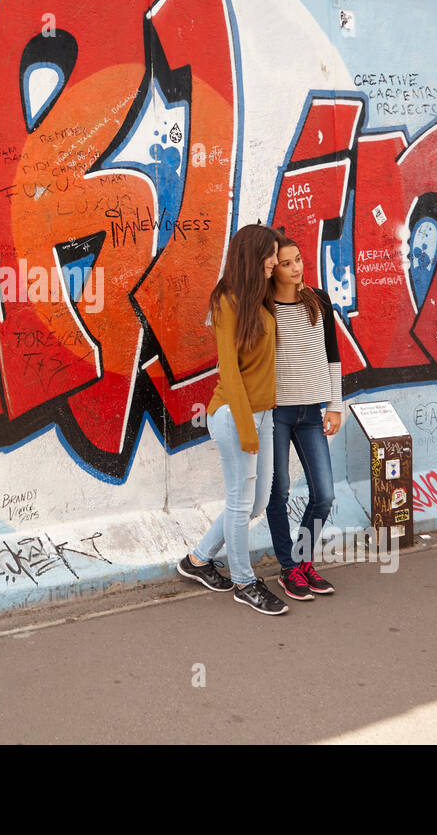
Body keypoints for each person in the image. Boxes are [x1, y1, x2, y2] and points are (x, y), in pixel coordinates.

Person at [177, 224, 289, 615]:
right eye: (270, 255)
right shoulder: (227, 300)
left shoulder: (262, 299)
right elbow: (230, 370)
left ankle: (197, 559)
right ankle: (244, 581)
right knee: (241, 503)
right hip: (232, 415)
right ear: (251, 255)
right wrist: (247, 429)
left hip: (264, 415)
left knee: (255, 501)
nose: (275, 262)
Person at [264, 236, 343, 601]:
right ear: (272, 268)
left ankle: (302, 559)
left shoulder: (318, 300)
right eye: (287, 263)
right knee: (276, 493)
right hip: (277, 413)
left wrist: (335, 405)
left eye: (298, 260)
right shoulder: (263, 306)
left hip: (312, 412)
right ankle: (288, 568)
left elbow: (332, 356)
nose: (297, 268)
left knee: (324, 494)